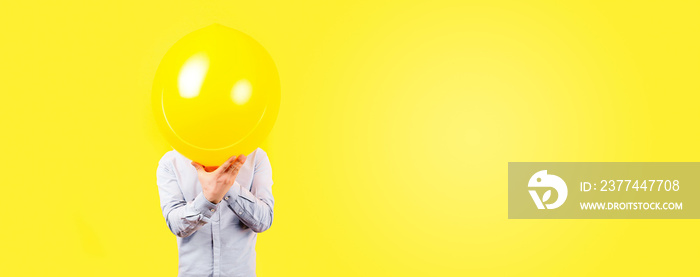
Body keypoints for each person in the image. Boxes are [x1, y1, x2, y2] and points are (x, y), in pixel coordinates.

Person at [156, 147, 274, 277]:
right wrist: (208, 198)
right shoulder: (171, 162)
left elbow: (264, 221)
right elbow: (176, 226)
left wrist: (228, 185)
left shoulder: (256, 157)